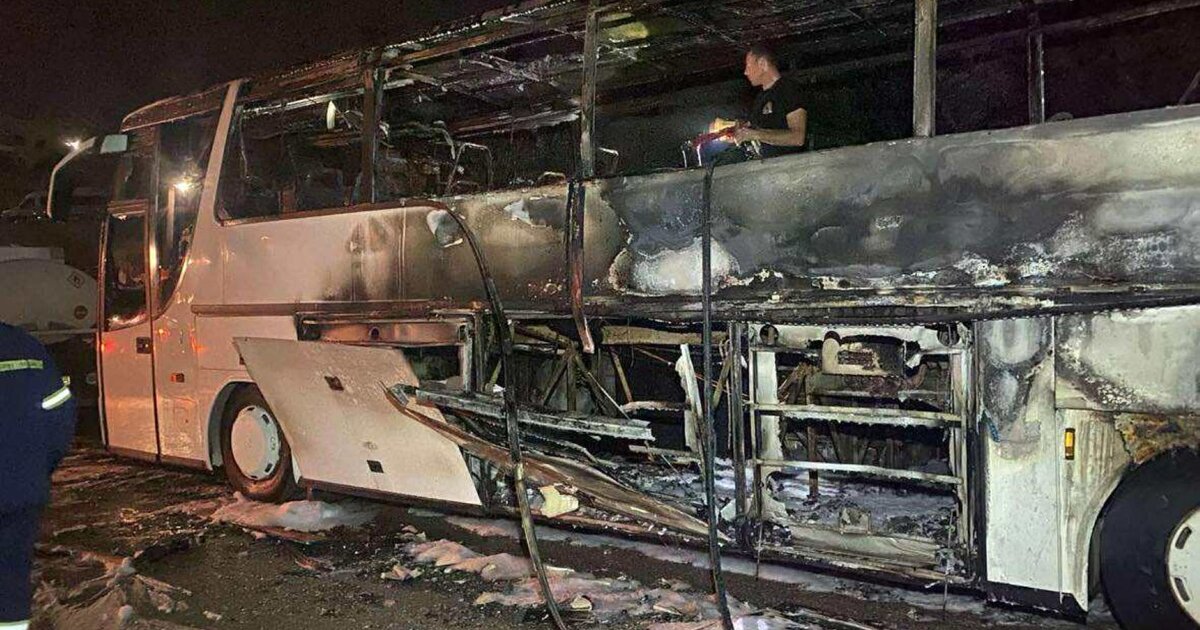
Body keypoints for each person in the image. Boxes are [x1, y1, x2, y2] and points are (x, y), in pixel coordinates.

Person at [0, 323, 76, 630]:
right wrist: (39, 467)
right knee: (12, 580)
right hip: (22, 489)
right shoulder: (24, 344)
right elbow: (61, 414)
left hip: (23, 483)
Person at [733, 45, 808, 158]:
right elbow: (757, 130)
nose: (745, 72)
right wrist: (743, 129)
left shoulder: (789, 89)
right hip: (769, 164)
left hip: (794, 164)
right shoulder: (760, 98)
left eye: (748, 66)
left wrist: (755, 134)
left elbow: (798, 137)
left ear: (762, 63)